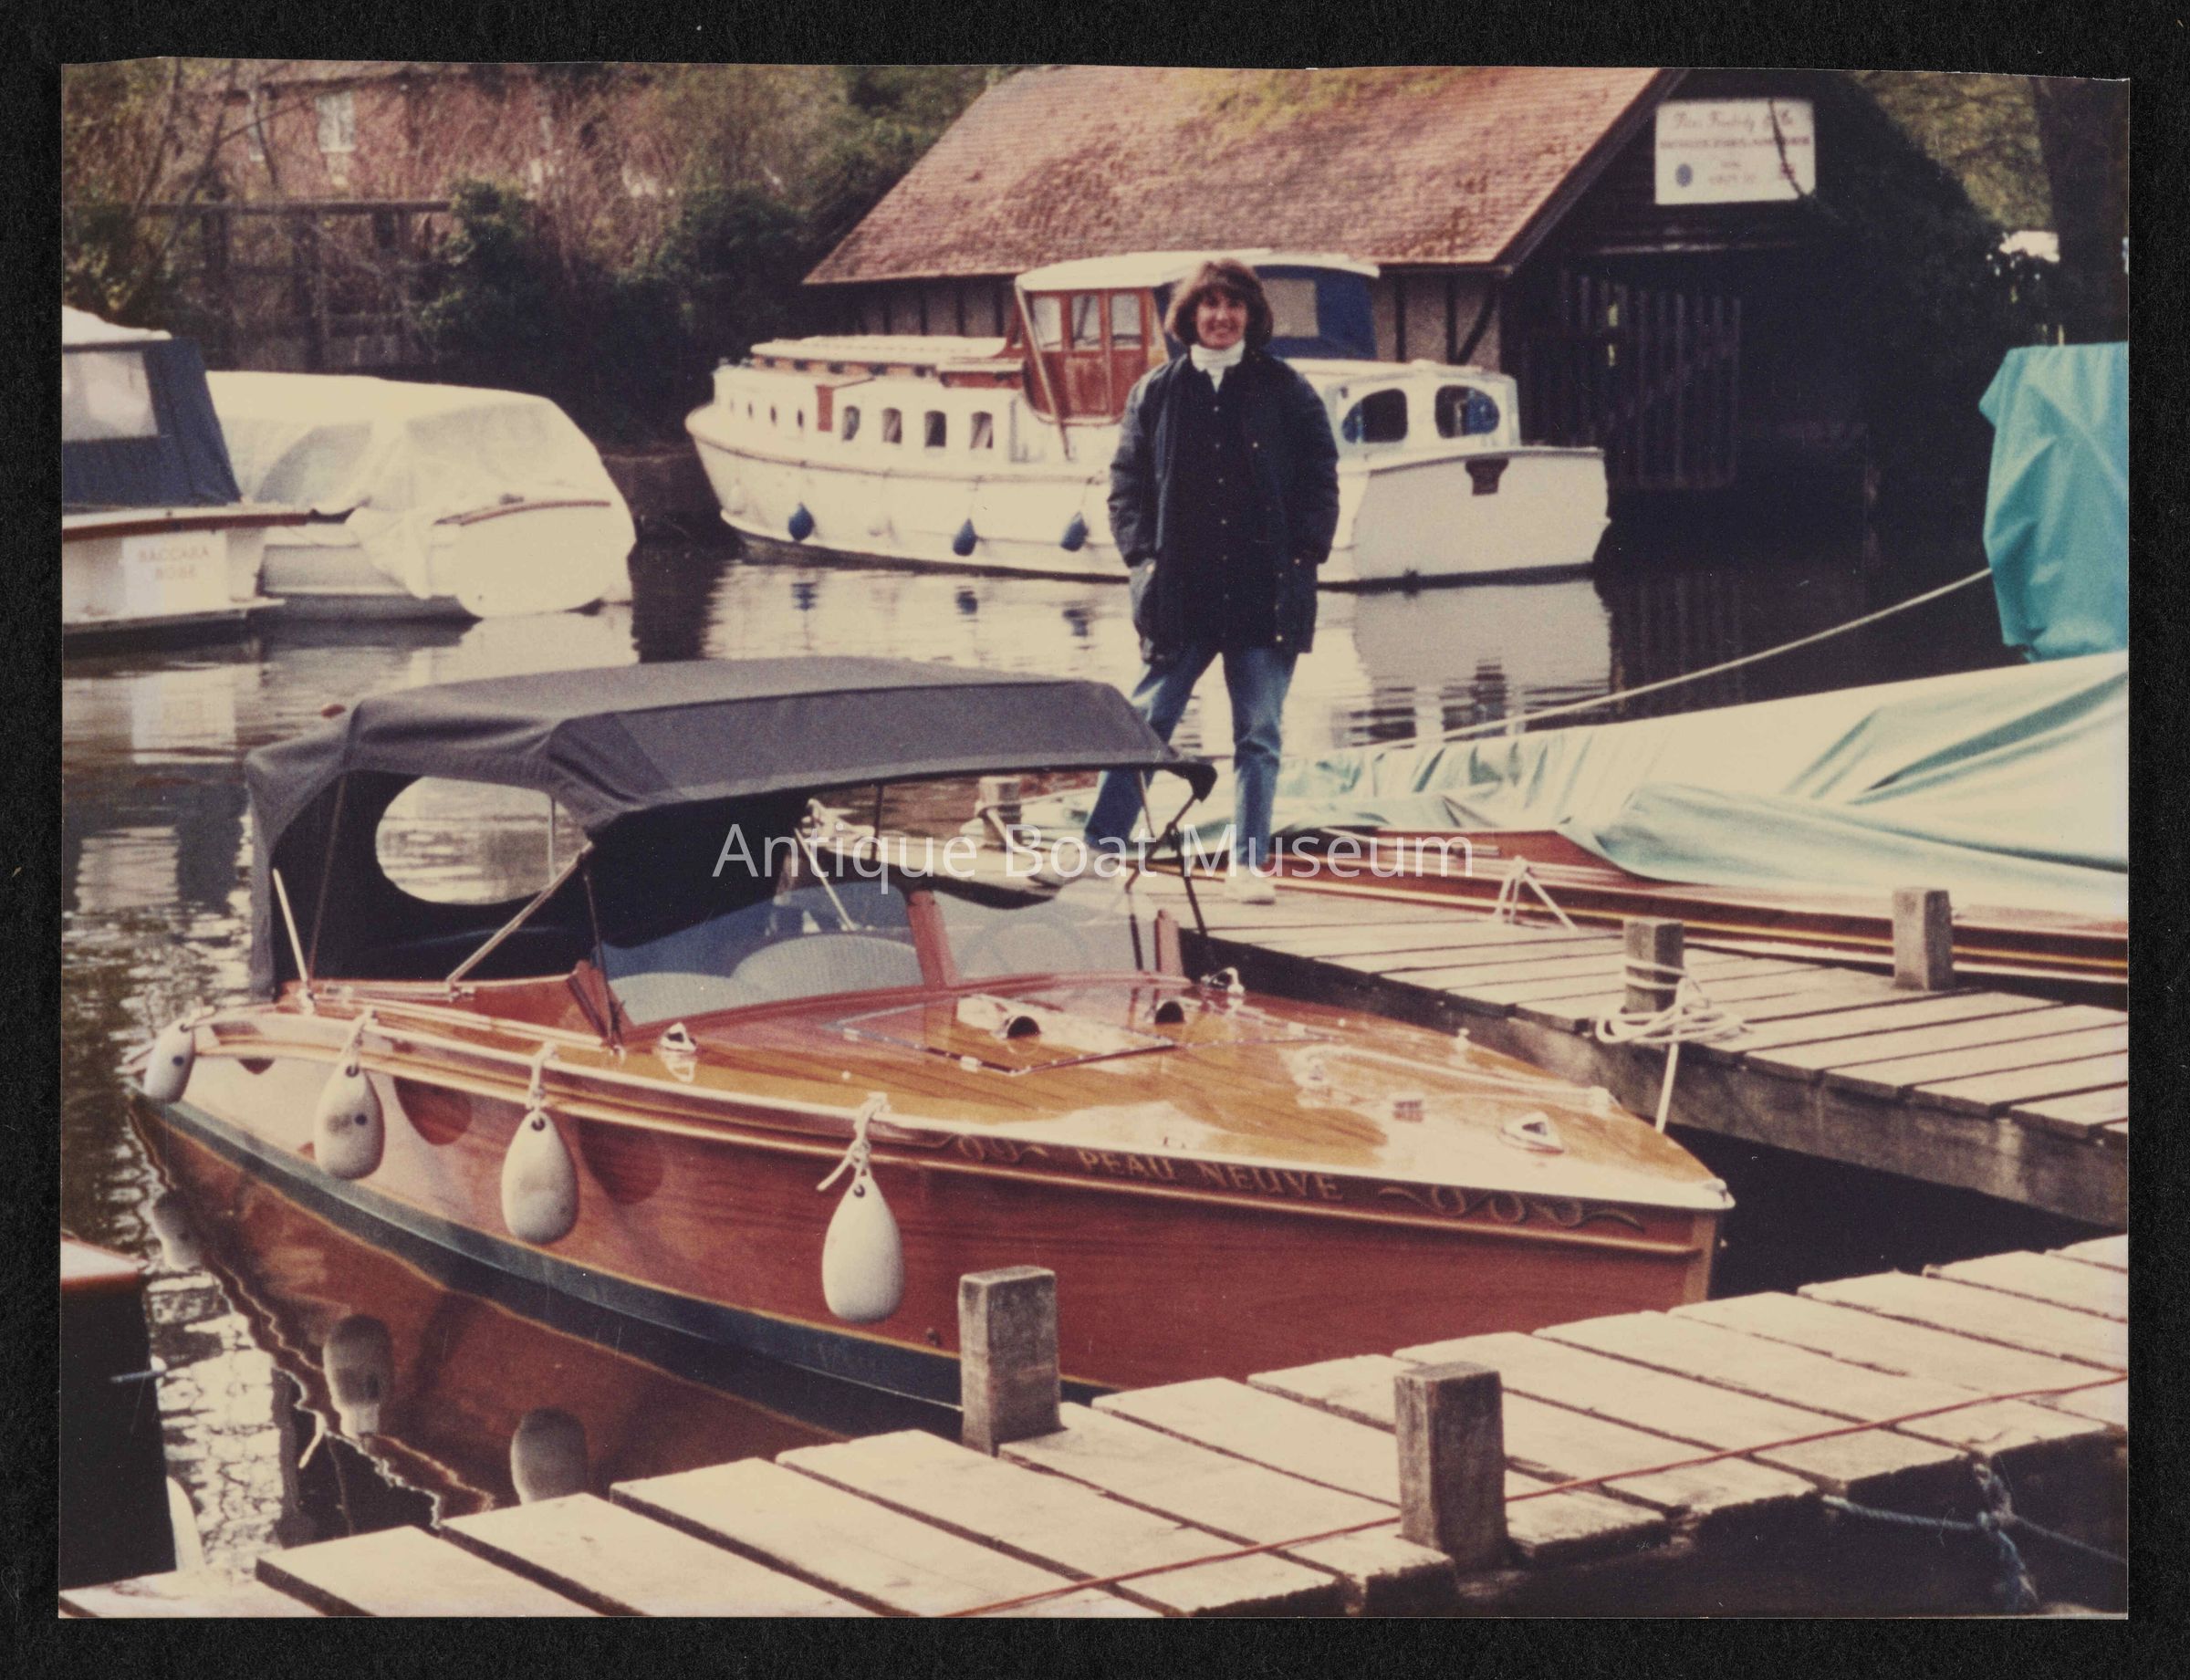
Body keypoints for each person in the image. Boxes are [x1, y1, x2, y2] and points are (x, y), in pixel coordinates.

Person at [1079, 257, 1340, 903]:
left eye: (1234, 305)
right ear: (1190, 314)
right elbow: (1126, 485)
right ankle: (1098, 850)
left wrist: (1306, 552)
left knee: (1259, 732)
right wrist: (1143, 560)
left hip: (1263, 591)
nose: (1221, 316)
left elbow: (1321, 473)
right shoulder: (1156, 392)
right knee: (1147, 721)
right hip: (1182, 592)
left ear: (1251, 314)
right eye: (1210, 304)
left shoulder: (1287, 389)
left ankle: (1248, 865)